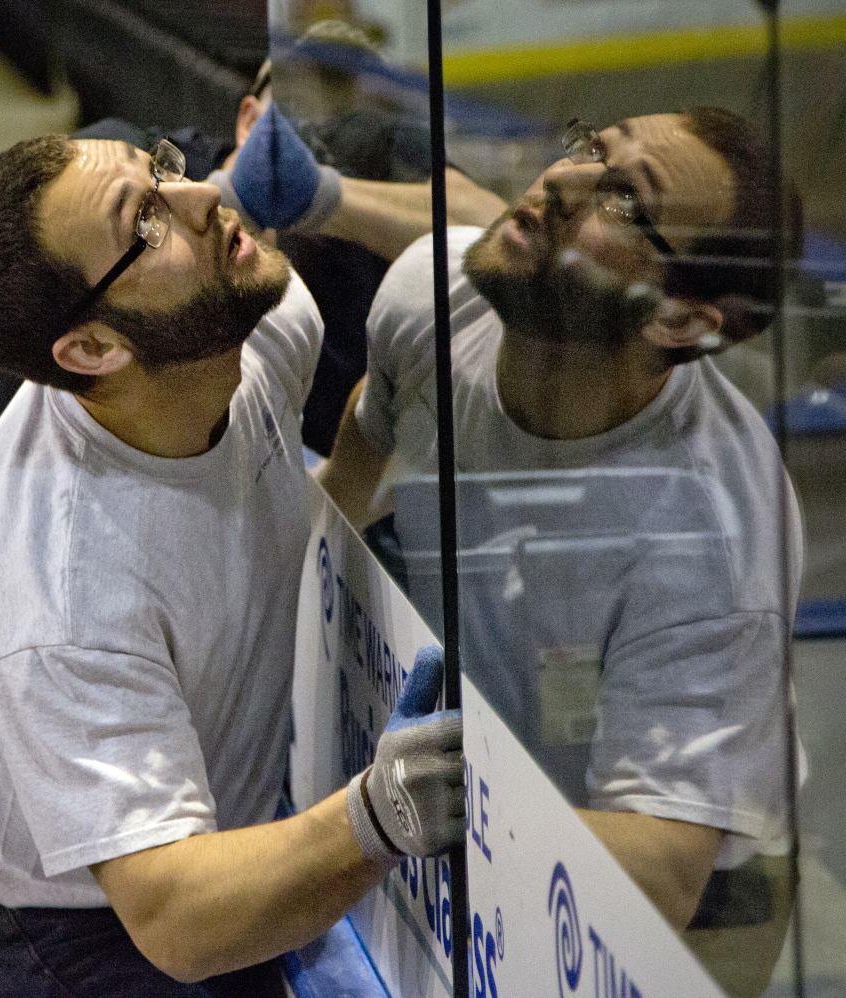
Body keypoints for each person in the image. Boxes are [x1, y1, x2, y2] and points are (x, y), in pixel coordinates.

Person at [0, 132, 465, 997]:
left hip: (168, 851)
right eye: (145, 221)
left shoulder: (254, 327)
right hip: (35, 921)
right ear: (90, 351)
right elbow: (176, 917)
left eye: (158, 166)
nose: (199, 196)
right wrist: (379, 815)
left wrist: (369, 439)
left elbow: (239, 531)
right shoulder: (60, 594)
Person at [320, 107, 804, 998]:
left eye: (623, 200)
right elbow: (335, 516)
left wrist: (404, 809)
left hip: (681, 913)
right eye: (590, 145)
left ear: (679, 320)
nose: (562, 180)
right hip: (480, 809)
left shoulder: (714, 537)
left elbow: (663, 868)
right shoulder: (430, 299)